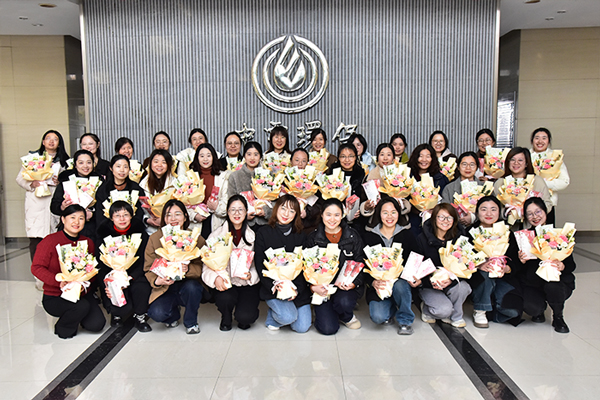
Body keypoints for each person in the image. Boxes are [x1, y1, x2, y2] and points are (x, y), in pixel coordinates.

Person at [31, 205, 105, 339]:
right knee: (81, 307)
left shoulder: (87, 242)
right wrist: (58, 281)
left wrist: (84, 284)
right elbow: (36, 267)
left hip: (82, 294)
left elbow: (92, 270)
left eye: (81, 218)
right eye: (72, 217)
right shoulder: (50, 241)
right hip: (56, 295)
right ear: (63, 219)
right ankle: (63, 326)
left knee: (97, 325)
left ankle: (77, 315)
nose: (76, 222)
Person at [144, 199, 206, 334]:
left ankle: (191, 322)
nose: (173, 218)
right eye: (168, 215)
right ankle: (173, 315)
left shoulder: (194, 237)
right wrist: (157, 280)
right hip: (165, 286)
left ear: (185, 217)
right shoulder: (155, 238)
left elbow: (204, 265)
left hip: (188, 284)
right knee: (157, 313)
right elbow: (148, 267)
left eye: (177, 214)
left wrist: (188, 269)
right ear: (164, 219)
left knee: (193, 288)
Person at [304, 199, 365, 335]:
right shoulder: (313, 238)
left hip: (344, 288)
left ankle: (346, 315)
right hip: (322, 288)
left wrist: (354, 283)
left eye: (337, 215)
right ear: (322, 215)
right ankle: (325, 311)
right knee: (328, 329)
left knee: (344, 302)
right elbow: (305, 266)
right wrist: (312, 287)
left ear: (342, 215)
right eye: (328, 214)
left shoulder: (352, 236)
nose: (332, 219)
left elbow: (361, 261)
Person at [201, 195, 260, 331]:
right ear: (227, 212)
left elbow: (258, 265)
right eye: (233, 210)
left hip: (245, 283)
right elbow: (206, 264)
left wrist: (251, 275)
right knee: (225, 299)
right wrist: (215, 278)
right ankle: (226, 315)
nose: (236, 213)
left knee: (246, 318)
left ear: (246, 212)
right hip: (225, 282)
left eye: (240, 209)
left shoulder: (254, 236)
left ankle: (242, 313)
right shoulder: (216, 235)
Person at [517, 197, 575, 333]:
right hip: (533, 283)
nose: (535, 216)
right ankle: (539, 310)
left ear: (545, 211)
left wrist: (562, 266)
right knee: (531, 307)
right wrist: (521, 261)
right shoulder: (523, 237)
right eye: (530, 214)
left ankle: (558, 316)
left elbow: (571, 265)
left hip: (556, 282)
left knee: (553, 286)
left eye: (538, 212)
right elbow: (516, 270)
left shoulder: (559, 235)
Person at [254, 195, 311, 332]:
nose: (286, 214)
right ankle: (274, 317)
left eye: (292, 211)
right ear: (276, 209)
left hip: (296, 287)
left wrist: (296, 288)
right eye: (283, 208)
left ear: (296, 214)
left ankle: (284, 312)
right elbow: (260, 264)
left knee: (302, 327)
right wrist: (275, 286)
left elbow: (305, 266)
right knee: (288, 317)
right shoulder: (263, 232)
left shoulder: (301, 235)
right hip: (275, 287)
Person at [363, 198, 418, 335]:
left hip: (400, 283)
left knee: (400, 286)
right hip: (380, 285)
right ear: (379, 214)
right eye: (385, 212)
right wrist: (372, 282)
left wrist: (414, 277)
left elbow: (415, 259)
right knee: (378, 317)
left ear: (399, 213)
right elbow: (363, 264)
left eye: (393, 212)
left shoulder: (407, 235)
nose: (389, 216)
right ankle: (392, 307)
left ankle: (405, 320)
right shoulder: (369, 236)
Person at [16, 130, 70, 268]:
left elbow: (70, 182)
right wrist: (31, 184)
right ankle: (38, 273)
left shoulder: (65, 162)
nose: (51, 141)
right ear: (43, 142)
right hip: (36, 203)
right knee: (36, 239)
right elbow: (20, 178)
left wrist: (60, 182)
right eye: (48, 138)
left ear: (59, 143)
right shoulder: (32, 159)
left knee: (55, 239)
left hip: (54, 201)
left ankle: (54, 271)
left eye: (55, 139)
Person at [96, 201, 152, 332]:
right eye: (117, 215)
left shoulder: (141, 235)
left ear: (131, 216)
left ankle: (140, 316)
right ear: (111, 218)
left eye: (125, 215)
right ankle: (116, 315)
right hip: (112, 275)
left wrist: (129, 278)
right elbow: (100, 263)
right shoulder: (103, 235)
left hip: (134, 274)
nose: (122, 219)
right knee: (114, 292)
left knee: (141, 286)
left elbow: (144, 261)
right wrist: (113, 278)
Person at [415, 204, 472, 328]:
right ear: (434, 218)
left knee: (464, 288)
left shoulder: (460, 239)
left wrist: (452, 279)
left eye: (450, 217)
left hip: (451, 282)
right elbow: (416, 267)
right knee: (443, 311)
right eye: (441, 217)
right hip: (429, 285)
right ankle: (427, 309)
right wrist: (430, 281)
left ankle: (456, 316)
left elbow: (467, 265)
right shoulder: (421, 239)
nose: (445, 221)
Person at [470, 196, 522, 328]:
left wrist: (507, 268)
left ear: (499, 212)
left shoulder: (507, 232)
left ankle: (492, 311)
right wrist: (478, 265)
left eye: (493, 209)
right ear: (477, 212)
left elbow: (516, 261)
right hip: (480, 278)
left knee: (513, 312)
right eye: (484, 209)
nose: (489, 213)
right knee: (485, 274)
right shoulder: (470, 232)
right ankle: (480, 310)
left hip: (502, 278)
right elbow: (462, 257)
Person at [50, 150, 103, 244]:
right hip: (70, 229)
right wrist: (62, 207)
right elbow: (53, 206)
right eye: (81, 163)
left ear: (94, 164)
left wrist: (93, 214)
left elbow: (106, 206)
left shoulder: (100, 181)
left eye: (89, 162)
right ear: (75, 165)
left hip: (93, 228)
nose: (85, 166)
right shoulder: (66, 180)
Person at [493, 147, 553, 229]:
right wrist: (506, 212)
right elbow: (494, 206)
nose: (516, 163)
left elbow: (548, 204)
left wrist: (531, 212)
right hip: (508, 227)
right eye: (512, 160)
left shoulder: (537, 181)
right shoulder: (500, 183)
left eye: (520, 160)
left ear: (526, 163)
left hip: (532, 226)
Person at [189, 143, 230, 239]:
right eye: (202, 156)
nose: (205, 159)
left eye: (208, 155)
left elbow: (227, 202)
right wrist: (194, 216)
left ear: (213, 157)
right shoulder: (190, 177)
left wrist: (216, 208)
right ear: (197, 158)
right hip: (196, 223)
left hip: (216, 221)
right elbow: (184, 203)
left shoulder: (223, 177)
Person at [361, 144, 411, 223]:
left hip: (398, 219)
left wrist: (401, 204)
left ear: (393, 157)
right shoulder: (370, 177)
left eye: (389, 155)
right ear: (377, 157)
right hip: (376, 220)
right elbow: (363, 199)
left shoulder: (401, 175)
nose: (385, 158)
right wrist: (367, 206)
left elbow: (408, 198)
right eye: (382, 154)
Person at [228, 141, 272, 230]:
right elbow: (231, 201)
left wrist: (266, 211)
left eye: (256, 154)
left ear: (260, 157)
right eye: (249, 154)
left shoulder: (268, 174)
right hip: (243, 225)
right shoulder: (235, 176)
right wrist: (243, 215)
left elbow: (275, 200)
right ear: (244, 156)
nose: (252, 158)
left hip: (265, 224)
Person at [530, 127, 570, 225]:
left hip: (548, 202)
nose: (540, 141)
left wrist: (543, 184)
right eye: (537, 138)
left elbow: (565, 181)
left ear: (548, 141)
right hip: (526, 202)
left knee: (546, 232)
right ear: (532, 141)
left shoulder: (555, 157)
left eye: (544, 138)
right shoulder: (525, 155)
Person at [407, 144, 449, 236]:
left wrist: (434, 210)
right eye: (421, 156)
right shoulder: (407, 177)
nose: (424, 160)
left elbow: (445, 201)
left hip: (435, 221)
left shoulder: (441, 178)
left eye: (428, 156)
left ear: (432, 159)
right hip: (412, 220)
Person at [95, 155, 145, 227]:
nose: (122, 170)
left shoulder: (136, 188)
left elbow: (140, 212)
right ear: (111, 168)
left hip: (132, 228)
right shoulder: (103, 189)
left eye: (125, 167)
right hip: (109, 229)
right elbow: (100, 214)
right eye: (118, 166)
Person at [440, 151, 483, 227]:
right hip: (455, 227)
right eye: (464, 164)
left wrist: (474, 217)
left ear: (477, 168)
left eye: (472, 165)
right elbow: (445, 211)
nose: (468, 168)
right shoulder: (449, 188)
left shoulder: (484, 187)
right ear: (458, 167)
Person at [139, 149, 177, 234]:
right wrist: (147, 220)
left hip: (171, 229)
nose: (159, 165)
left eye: (164, 162)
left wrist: (165, 219)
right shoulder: (142, 184)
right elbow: (139, 209)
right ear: (150, 164)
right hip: (149, 230)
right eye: (156, 161)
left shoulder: (176, 184)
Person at [290, 148, 322, 233]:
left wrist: (307, 212)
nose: (300, 164)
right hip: (288, 225)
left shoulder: (314, 181)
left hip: (308, 227)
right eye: (297, 160)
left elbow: (320, 205)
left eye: (304, 161)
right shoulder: (285, 180)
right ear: (291, 161)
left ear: (307, 163)